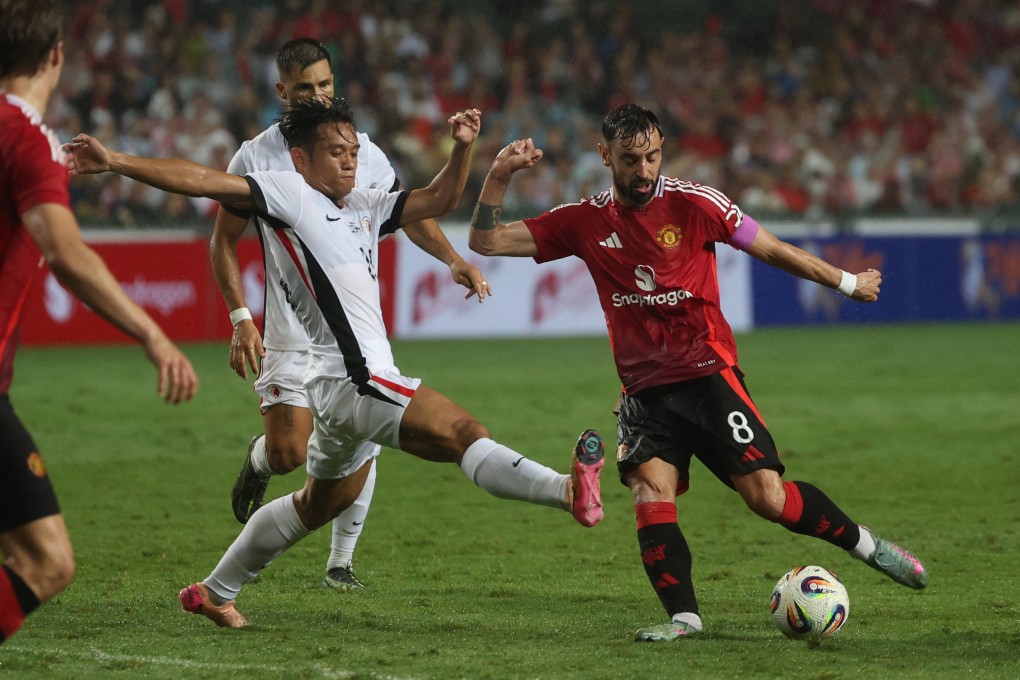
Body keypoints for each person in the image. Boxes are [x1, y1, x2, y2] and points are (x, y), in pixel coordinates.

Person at [67, 97, 605, 629]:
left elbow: (439, 198)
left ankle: (214, 591)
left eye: (352, 150)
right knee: (464, 431)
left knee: (315, 504)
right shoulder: (290, 193)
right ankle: (567, 491)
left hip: (344, 381)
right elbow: (204, 181)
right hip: (355, 379)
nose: (349, 160)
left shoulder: (366, 204)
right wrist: (115, 161)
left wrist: (464, 149)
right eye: (334, 152)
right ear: (302, 159)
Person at [467, 103, 928, 642]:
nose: (644, 170)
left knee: (767, 499)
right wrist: (498, 174)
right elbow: (486, 241)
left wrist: (847, 283)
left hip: (708, 374)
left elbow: (773, 249)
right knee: (648, 493)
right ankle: (684, 619)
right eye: (631, 159)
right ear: (605, 156)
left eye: (653, 156)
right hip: (644, 392)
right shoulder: (583, 221)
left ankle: (866, 546)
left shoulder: (695, 203)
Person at [211, 38, 490, 591]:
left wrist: (453, 258)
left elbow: (408, 210)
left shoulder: (360, 149)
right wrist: (241, 314)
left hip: (349, 327)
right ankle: (261, 458)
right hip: (289, 332)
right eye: (304, 89)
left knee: (362, 424)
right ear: (281, 92)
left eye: (325, 85)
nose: (317, 96)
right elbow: (222, 240)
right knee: (291, 451)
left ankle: (341, 562)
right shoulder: (255, 155)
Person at [0, 0, 199, 644]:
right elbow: (67, 253)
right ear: (56, 55)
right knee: (46, 561)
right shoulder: (24, 138)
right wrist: (153, 333)